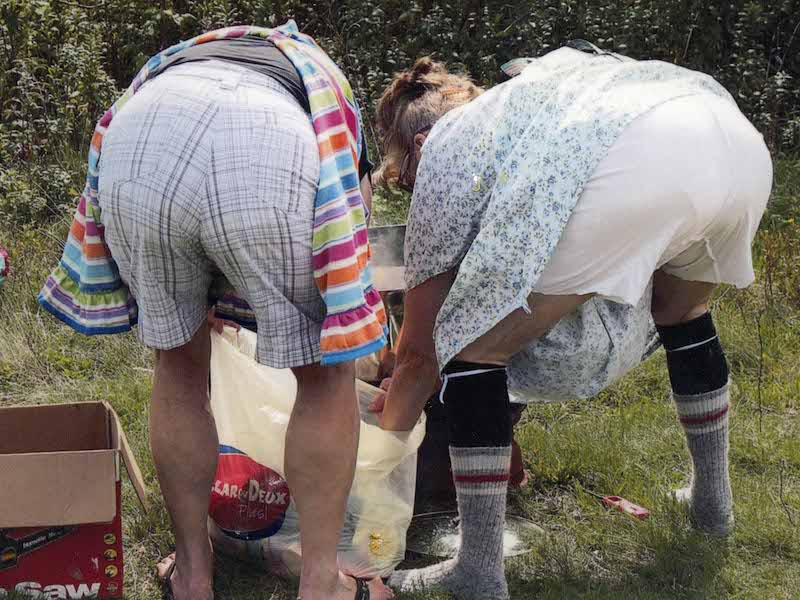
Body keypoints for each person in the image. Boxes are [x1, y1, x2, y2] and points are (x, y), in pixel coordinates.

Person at [372, 43, 772, 600]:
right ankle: (713, 504)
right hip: (731, 141)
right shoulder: (520, 112)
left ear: (418, 145)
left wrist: (376, 458)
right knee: (683, 314)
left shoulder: (446, 146)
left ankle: (477, 571)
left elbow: (421, 356)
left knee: (472, 353)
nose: (414, 193)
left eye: (407, 180)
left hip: (639, 157)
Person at [38, 22, 392, 600]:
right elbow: (349, 235)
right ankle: (321, 583)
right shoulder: (321, 80)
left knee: (177, 367)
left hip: (139, 143)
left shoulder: (183, 59)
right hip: (267, 142)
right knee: (324, 374)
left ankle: (193, 576)